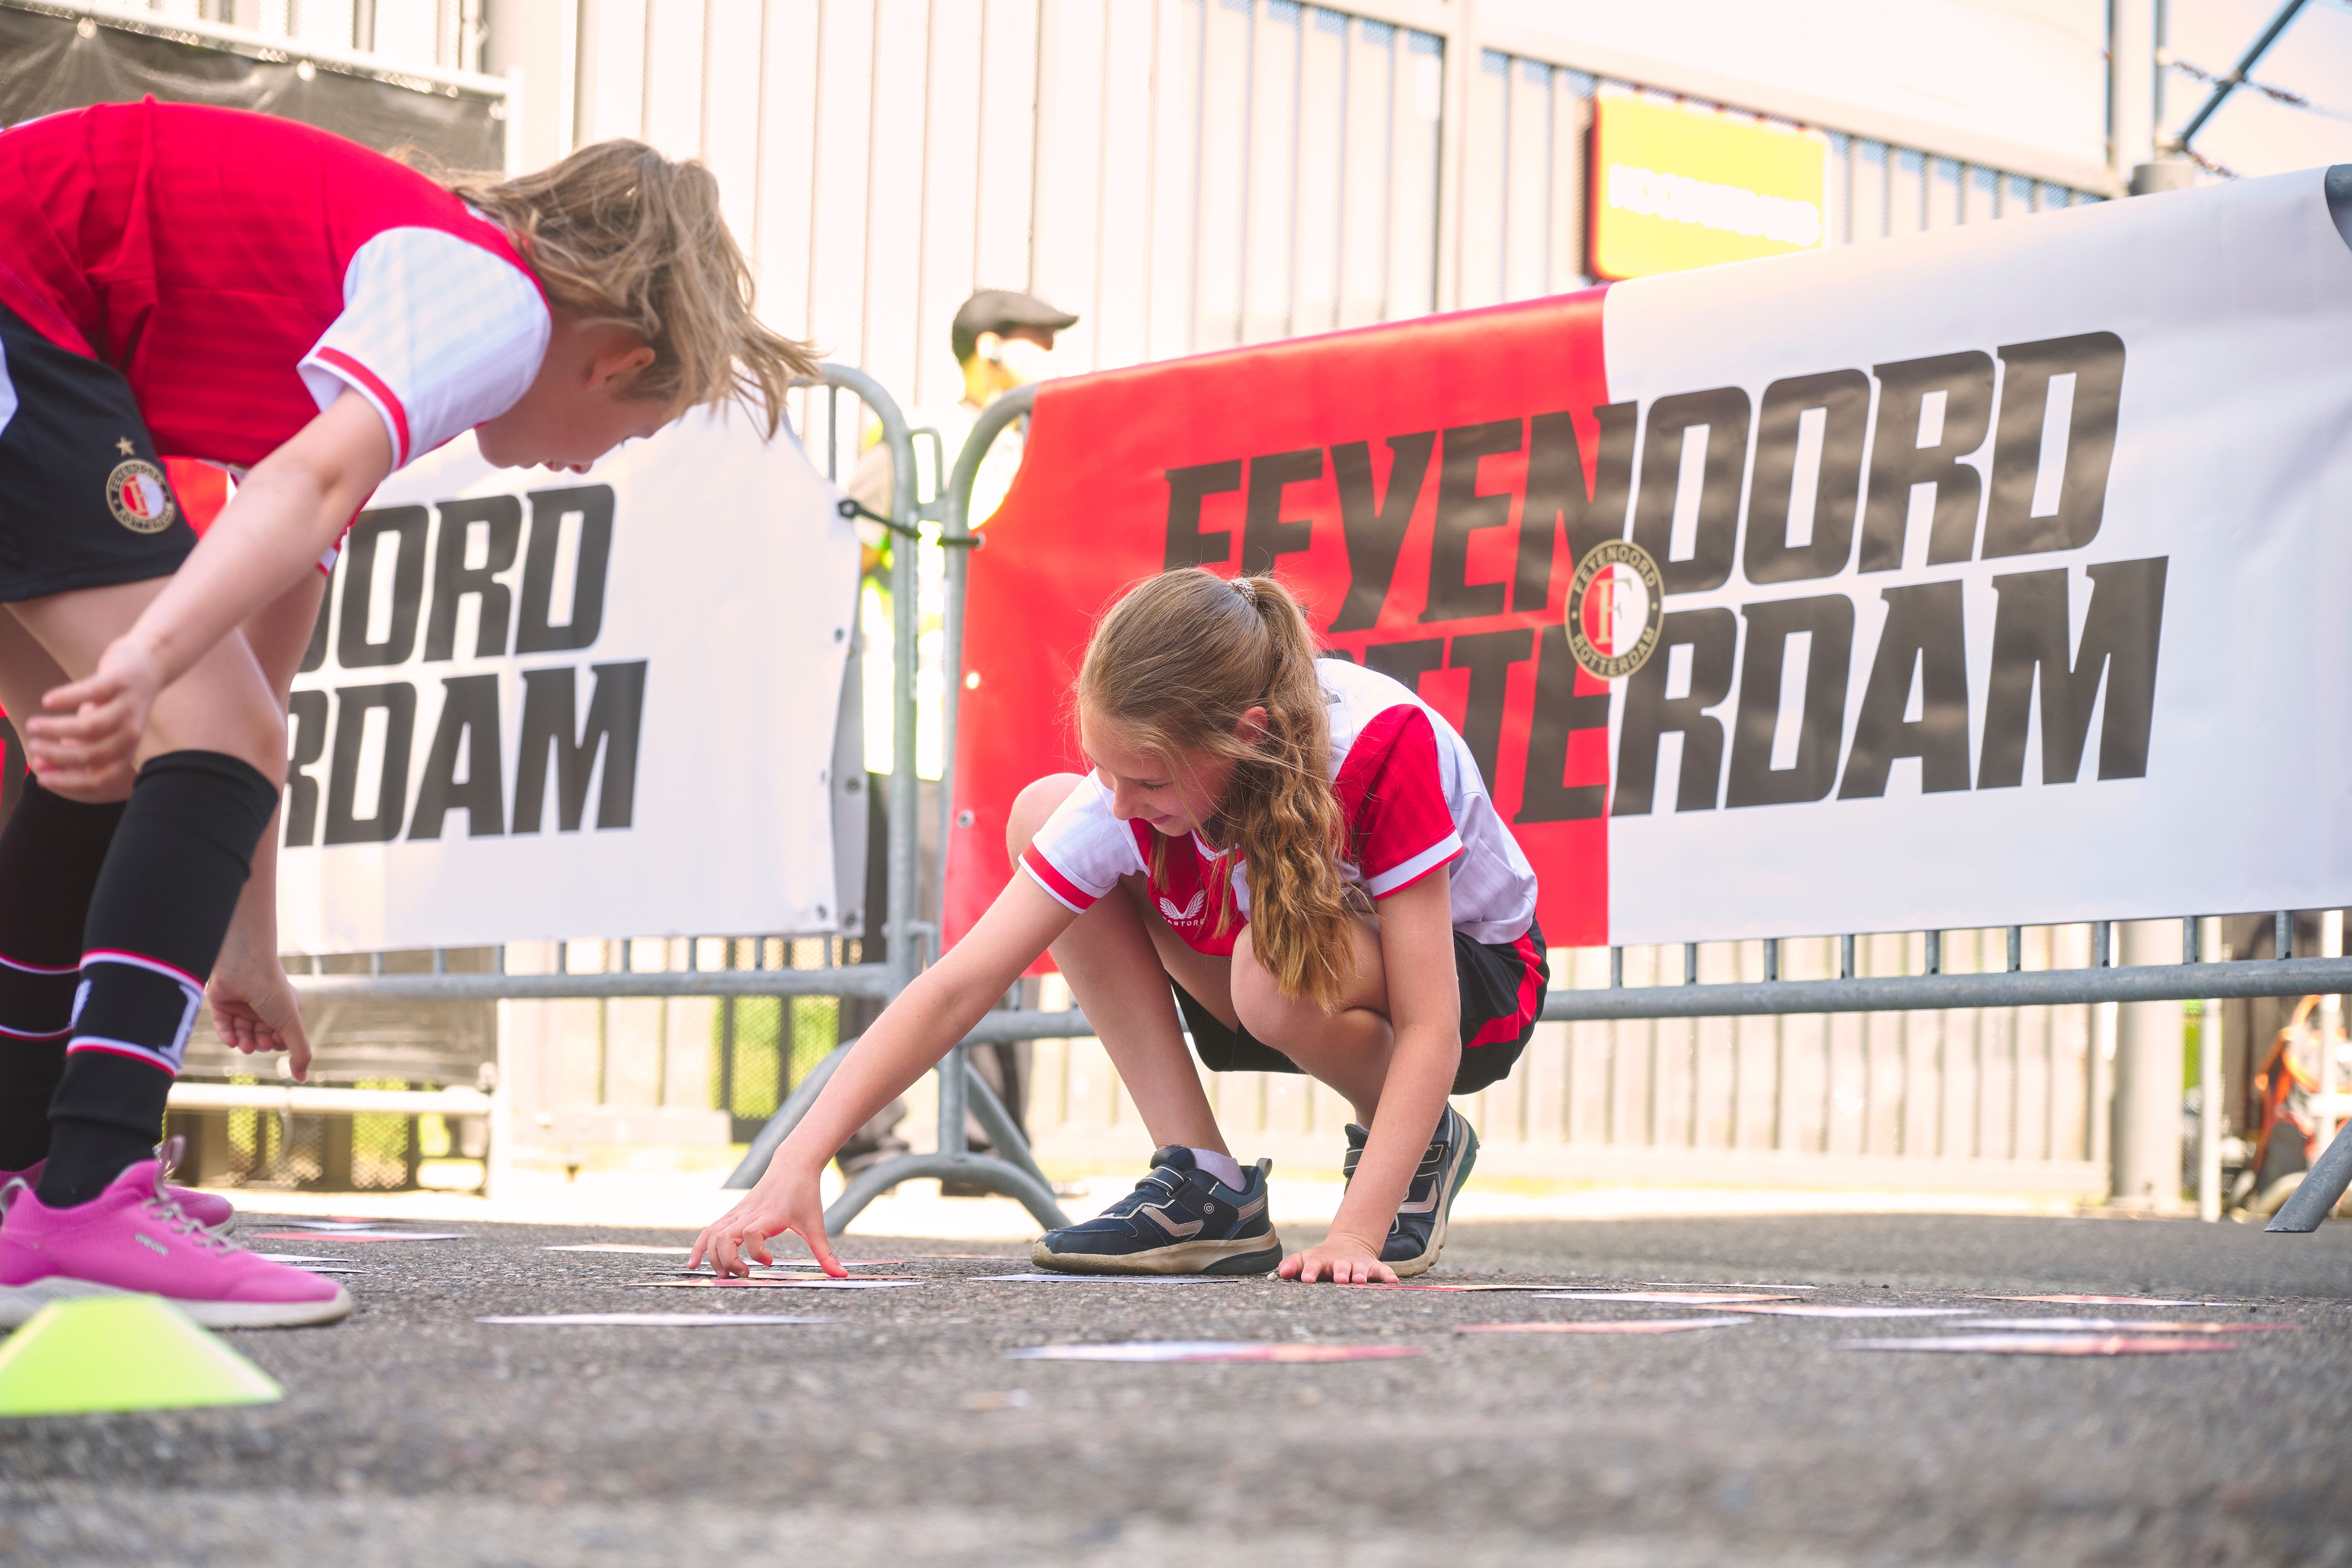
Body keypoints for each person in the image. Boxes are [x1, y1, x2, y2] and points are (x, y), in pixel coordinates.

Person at [0, 99, 810, 1327]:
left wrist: (249, 940)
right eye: (629, 434)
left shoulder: (370, 323)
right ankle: (85, 1199)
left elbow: (262, 691)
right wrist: (155, 660)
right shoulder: (491, 301)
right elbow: (293, 517)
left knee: (104, 771)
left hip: (32, 313)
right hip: (20, 293)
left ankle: (35, 1177)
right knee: (164, 727)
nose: (591, 464)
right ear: (617, 360)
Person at [696, 569, 1549, 1284]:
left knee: (1271, 967)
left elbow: (1434, 1022)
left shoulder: (1380, 742)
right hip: (1283, 976)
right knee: (1044, 815)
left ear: (1244, 737)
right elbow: (958, 984)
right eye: (1105, 768)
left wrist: (1356, 1233)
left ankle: (1419, 1138)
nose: (1119, 800)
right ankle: (1207, 1185)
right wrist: (800, 1157)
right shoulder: (1144, 785)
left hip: (1478, 986)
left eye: (1144, 780)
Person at [833, 288, 1077, 1186]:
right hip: (921, 728)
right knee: (907, 927)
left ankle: (987, 1140)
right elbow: (845, 550)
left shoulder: (1036, 446)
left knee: (1015, 923)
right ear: (983, 349)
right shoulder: (917, 440)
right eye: (1034, 340)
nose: (1049, 355)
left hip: (1009, 729)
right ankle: (866, 1128)